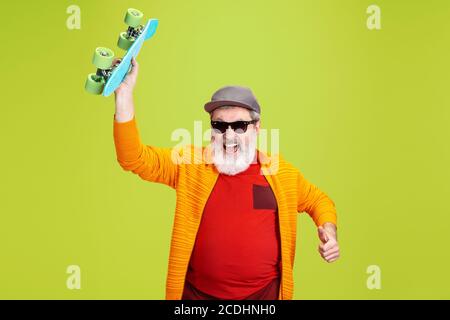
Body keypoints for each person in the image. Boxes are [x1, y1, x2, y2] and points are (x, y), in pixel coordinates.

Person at [113, 58, 340, 300]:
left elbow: (319, 200)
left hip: (263, 297)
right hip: (197, 297)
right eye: (219, 125)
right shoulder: (189, 164)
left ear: (256, 127)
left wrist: (329, 230)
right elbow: (134, 158)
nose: (228, 135)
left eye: (239, 125)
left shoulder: (279, 173)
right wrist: (124, 95)